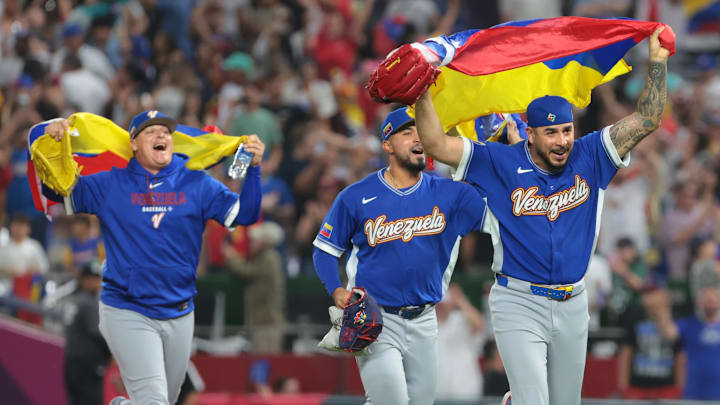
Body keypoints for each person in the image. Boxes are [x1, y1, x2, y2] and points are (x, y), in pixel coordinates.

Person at [414, 27, 670, 405]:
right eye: (551, 133)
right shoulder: (499, 162)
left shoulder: (591, 155)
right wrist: (421, 92)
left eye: (567, 130)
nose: (562, 141)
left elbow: (648, 119)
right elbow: (435, 143)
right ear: (530, 134)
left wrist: (658, 63)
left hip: (573, 301)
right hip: (518, 301)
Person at [43, 110, 265, 405]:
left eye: (165, 131)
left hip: (180, 311)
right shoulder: (111, 184)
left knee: (164, 402)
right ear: (133, 144)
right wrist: (55, 144)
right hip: (127, 309)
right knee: (153, 402)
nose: (160, 135)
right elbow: (58, 191)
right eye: (150, 131)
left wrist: (255, 170)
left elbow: (245, 214)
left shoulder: (198, 184)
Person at [312, 107, 495, 405]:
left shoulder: (451, 194)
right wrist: (335, 289)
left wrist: (488, 153)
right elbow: (324, 249)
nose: (417, 138)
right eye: (407, 132)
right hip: (376, 319)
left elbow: (500, 212)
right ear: (387, 144)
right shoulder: (356, 196)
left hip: (426, 320)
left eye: (421, 131)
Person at [618, 285, 682, 399]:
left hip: (666, 386)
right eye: (647, 294)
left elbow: (679, 353)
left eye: (654, 294)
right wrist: (623, 386)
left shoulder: (677, 319)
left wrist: (679, 387)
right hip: (638, 385)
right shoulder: (635, 317)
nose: (649, 298)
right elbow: (626, 353)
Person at [658, 286, 720, 400]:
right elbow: (668, 333)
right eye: (706, 299)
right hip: (694, 389)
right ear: (699, 302)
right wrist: (663, 308)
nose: (710, 302)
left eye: (713, 298)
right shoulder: (689, 324)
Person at [63, 260, 111, 405]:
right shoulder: (88, 303)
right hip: (88, 366)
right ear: (83, 279)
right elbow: (97, 332)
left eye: (97, 277)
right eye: (91, 277)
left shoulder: (74, 300)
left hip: (72, 363)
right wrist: (113, 351)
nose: (95, 281)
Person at [435, 283, 486, 400]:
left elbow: (479, 325)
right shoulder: (426, 324)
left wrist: (460, 300)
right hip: (437, 394)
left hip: (466, 391)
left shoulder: (461, 319)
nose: (442, 304)